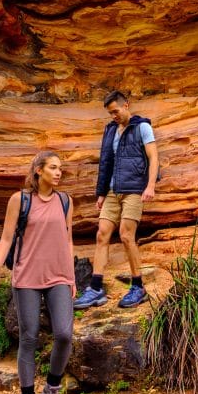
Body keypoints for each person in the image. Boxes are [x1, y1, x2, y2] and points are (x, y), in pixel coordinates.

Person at [0, 151, 75, 394]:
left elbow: (69, 239)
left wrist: (72, 277)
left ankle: (51, 390)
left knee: (64, 334)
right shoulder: (20, 200)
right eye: (53, 167)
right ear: (38, 170)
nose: (58, 172)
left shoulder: (65, 201)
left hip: (59, 277)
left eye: (60, 168)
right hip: (26, 278)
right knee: (29, 337)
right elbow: (6, 238)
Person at [74, 90, 158, 310]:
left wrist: (150, 186)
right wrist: (101, 193)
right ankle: (95, 288)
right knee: (101, 234)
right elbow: (106, 163)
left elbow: (154, 157)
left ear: (126, 105)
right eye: (110, 113)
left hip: (134, 190)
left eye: (116, 111)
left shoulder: (142, 127)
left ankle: (138, 286)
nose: (113, 116)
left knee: (126, 235)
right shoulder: (111, 130)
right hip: (113, 191)